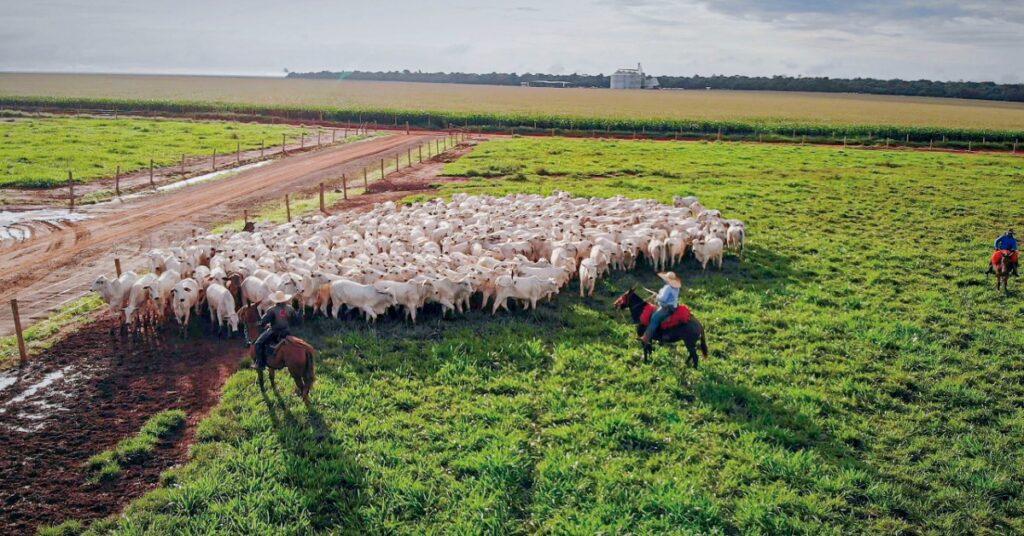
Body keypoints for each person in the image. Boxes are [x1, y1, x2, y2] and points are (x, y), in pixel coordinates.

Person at [254, 291, 302, 369]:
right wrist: (300, 310)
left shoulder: (272, 310)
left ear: (275, 300)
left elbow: (263, 322)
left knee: (258, 343)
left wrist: (262, 324)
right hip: (287, 332)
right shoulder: (290, 308)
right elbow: (297, 320)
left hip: (274, 332)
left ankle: (260, 364)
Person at [639, 271, 682, 344]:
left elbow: (663, 299)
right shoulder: (676, 288)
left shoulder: (668, 287)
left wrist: (657, 296)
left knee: (654, 319)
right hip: (673, 306)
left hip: (666, 307)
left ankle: (645, 337)